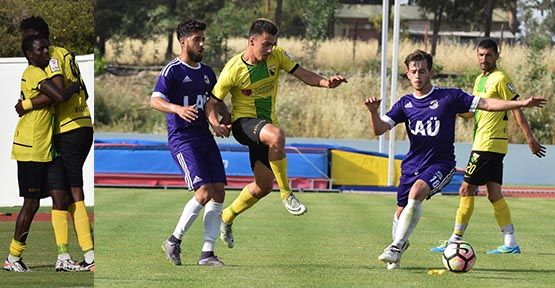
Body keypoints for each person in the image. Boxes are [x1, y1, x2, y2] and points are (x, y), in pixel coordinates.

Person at [364, 49, 546, 270]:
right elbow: (379, 129)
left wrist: (521, 103)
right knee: (401, 212)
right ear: (407, 74)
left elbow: (487, 104)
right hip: (411, 165)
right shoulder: (405, 104)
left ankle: (395, 246)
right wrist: (373, 112)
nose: (418, 76)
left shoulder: (449, 97)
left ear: (430, 72)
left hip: (441, 164)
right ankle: (397, 250)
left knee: (416, 193)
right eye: (414, 72)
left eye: (422, 71)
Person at [205, 18, 347, 249]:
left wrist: (326, 83)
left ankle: (227, 217)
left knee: (262, 186)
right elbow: (212, 102)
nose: (270, 49)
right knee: (277, 135)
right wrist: (215, 123)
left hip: (264, 126)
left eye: (273, 44)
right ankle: (286, 194)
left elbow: (303, 74)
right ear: (252, 41)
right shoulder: (233, 69)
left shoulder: (277, 56)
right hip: (244, 124)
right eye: (266, 44)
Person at [430, 39, 547, 255]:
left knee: (465, 189)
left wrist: (530, 138)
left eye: (489, 55)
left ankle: (454, 241)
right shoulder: (479, 80)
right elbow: (476, 110)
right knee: (494, 194)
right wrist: (451, 110)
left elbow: (516, 108)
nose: (484, 59)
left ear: (497, 56)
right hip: (488, 144)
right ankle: (510, 242)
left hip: (488, 144)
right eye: (481, 55)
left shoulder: (500, 78)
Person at [17, 16, 94, 272]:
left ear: (41, 37)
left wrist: (26, 104)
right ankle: (63, 256)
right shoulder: (66, 54)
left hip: (68, 128)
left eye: (29, 37)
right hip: (80, 125)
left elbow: (59, 94)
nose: (25, 43)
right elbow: (79, 89)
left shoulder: (51, 57)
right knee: (60, 193)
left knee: (72, 193)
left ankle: (90, 256)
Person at [151, 19, 230, 267]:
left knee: (218, 191)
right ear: (184, 41)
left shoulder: (207, 73)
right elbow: (155, 100)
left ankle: (207, 253)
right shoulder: (172, 71)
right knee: (204, 192)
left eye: (203, 39)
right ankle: (174, 240)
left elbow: (214, 101)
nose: (202, 43)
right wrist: (176, 109)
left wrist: (222, 119)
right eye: (197, 39)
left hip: (204, 137)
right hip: (182, 139)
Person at [4, 35, 78, 272]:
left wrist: (28, 103)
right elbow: (59, 95)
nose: (46, 52)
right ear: (29, 54)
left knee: (61, 198)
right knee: (31, 204)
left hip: (46, 147)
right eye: (40, 50)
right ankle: (13, 258)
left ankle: (64, 257)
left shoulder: (40, 71)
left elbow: (52, 97)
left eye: (47, 48)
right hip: (30, 147)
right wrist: (75, 86)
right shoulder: (34, 73)